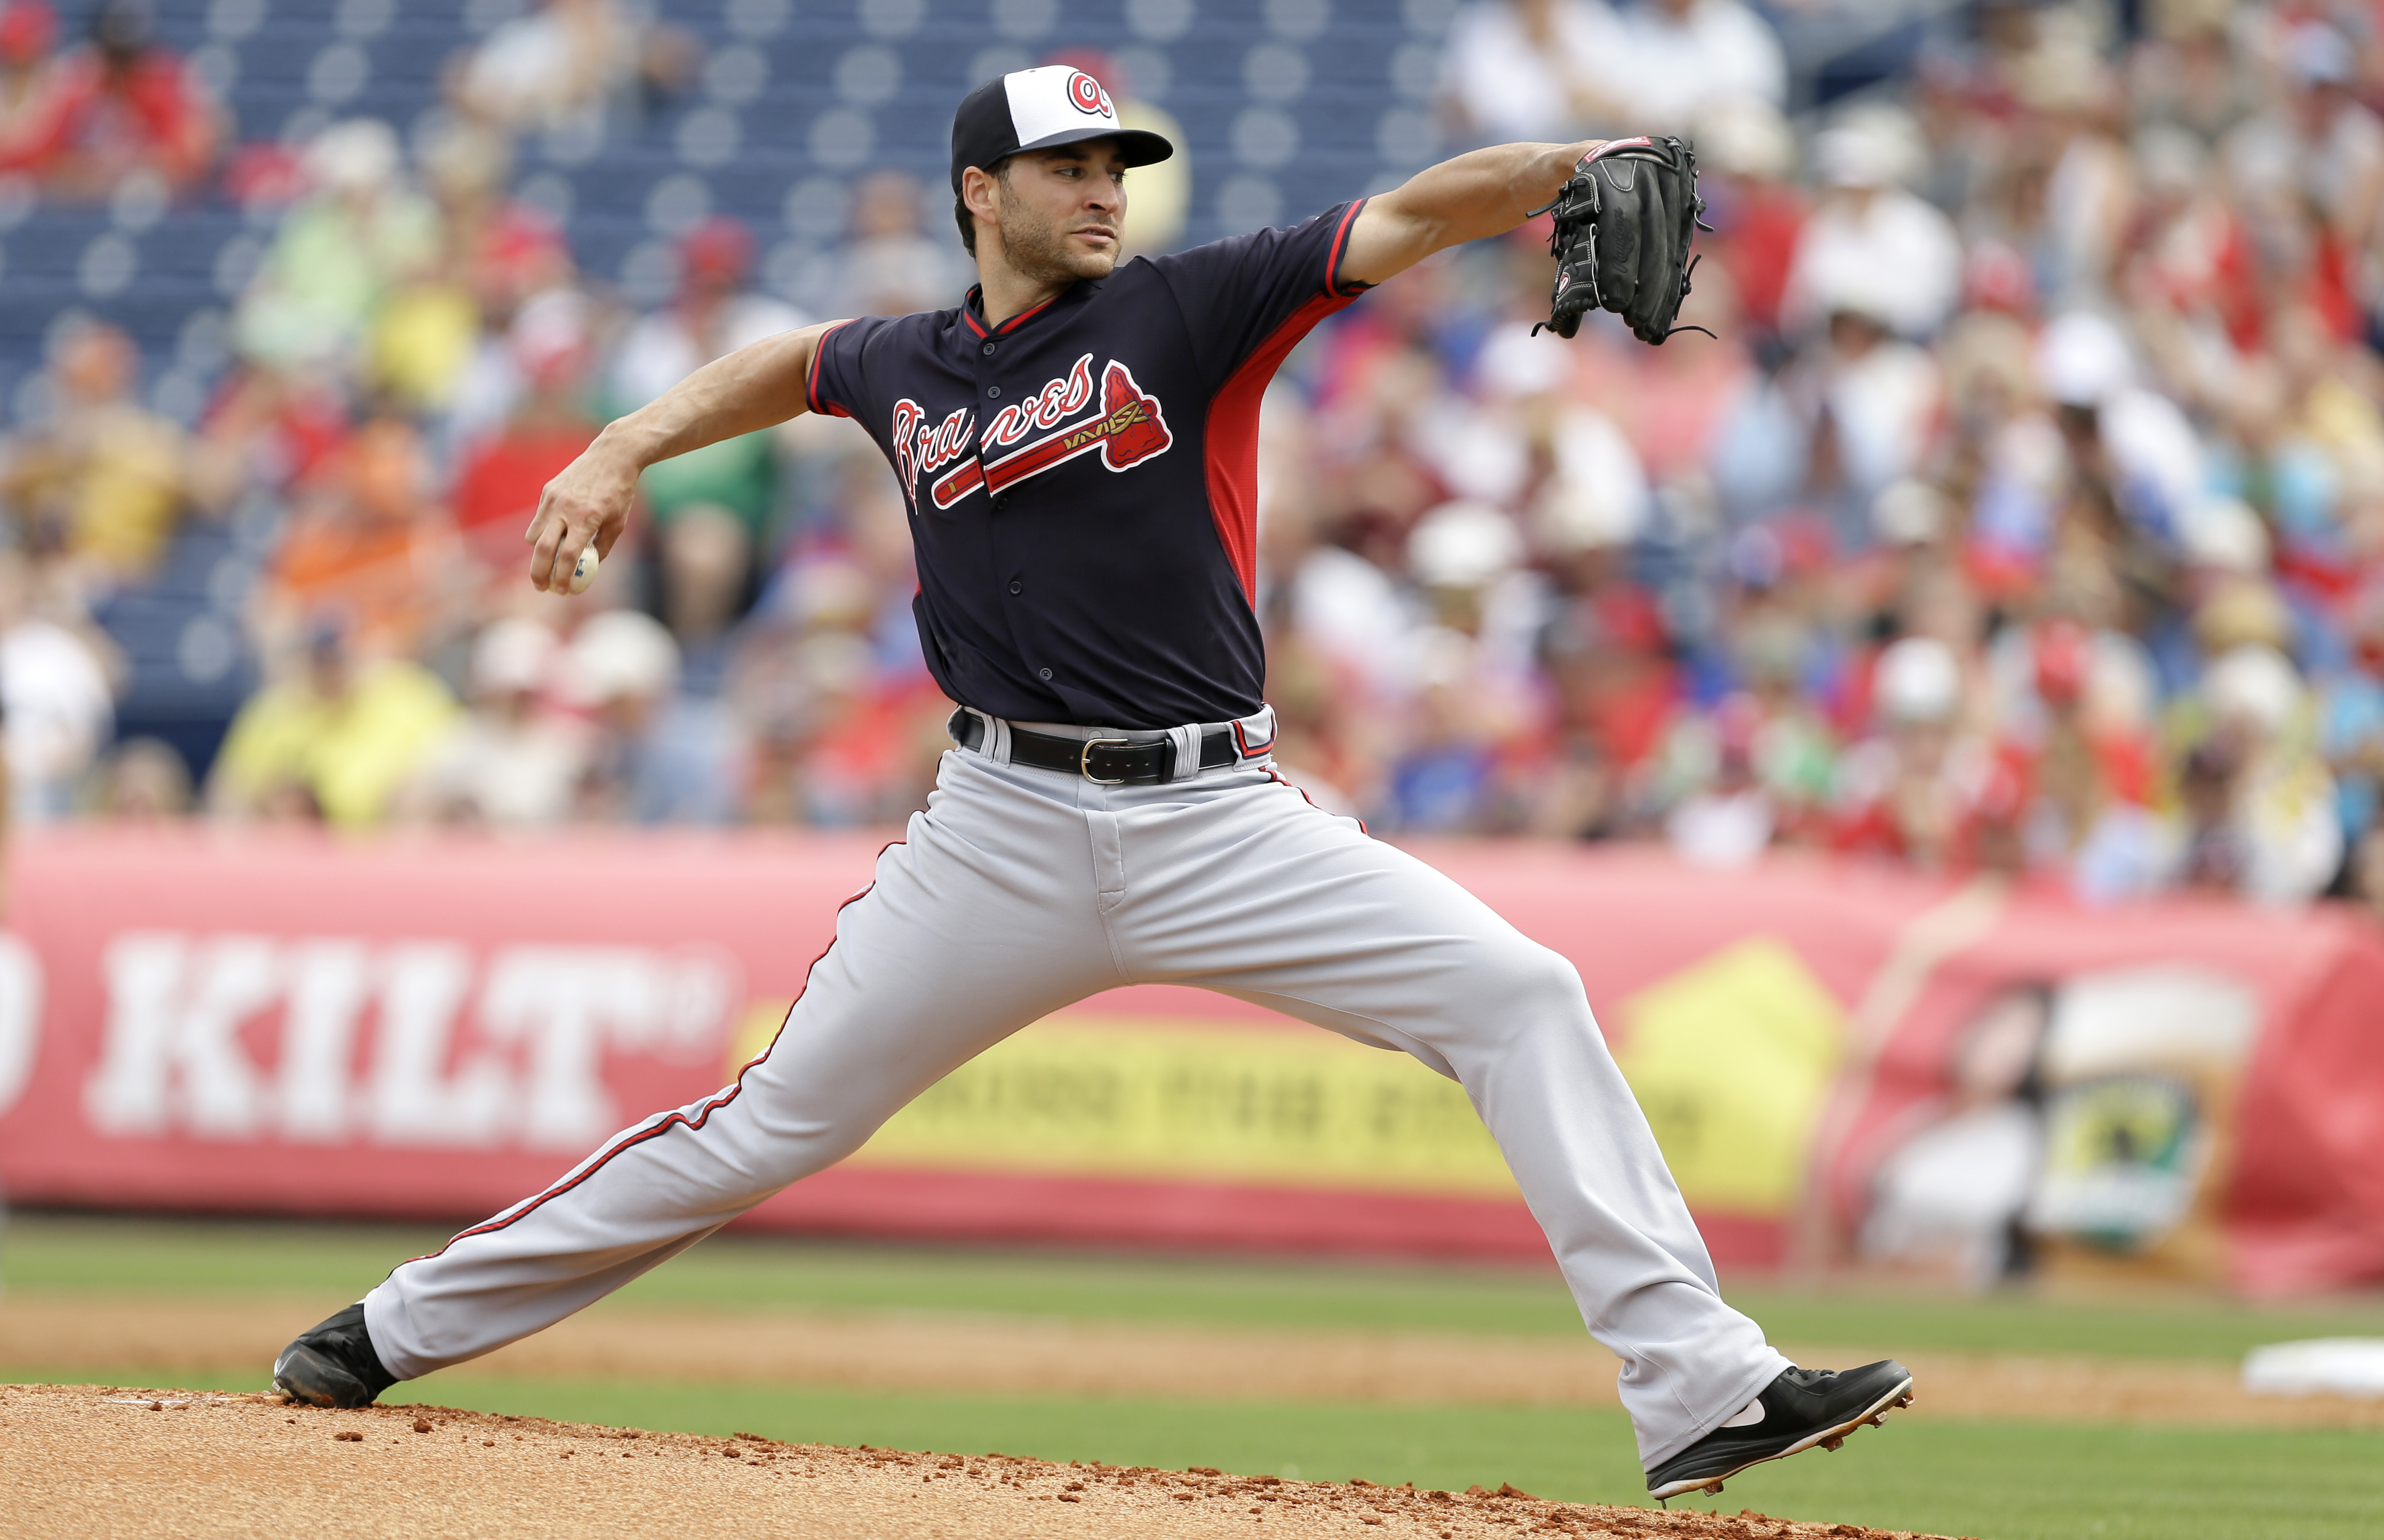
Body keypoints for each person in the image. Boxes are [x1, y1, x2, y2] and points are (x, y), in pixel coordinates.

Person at [272, 65, 1913, 1502]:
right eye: (1065, 166)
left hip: (1220, 819)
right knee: (766, 1125)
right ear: (980, 192)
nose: (1099, 191)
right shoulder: (902, 362)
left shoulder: (1189, 307)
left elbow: (1412, 215)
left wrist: (1566, 166)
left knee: (1522, 994)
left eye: (1113, 166)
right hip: (995, 832)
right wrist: (617, 444)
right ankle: (389, 1332)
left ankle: (1699, 1388)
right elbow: (788, 365)